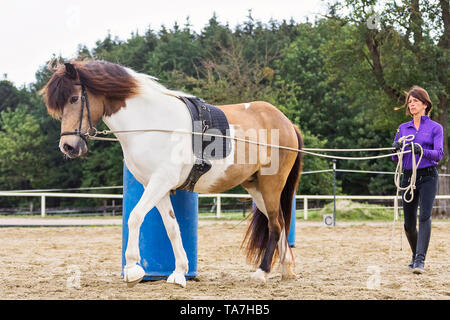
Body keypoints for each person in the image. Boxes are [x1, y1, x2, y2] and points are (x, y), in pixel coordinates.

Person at [392, 86, 443, 274]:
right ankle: (414, 254)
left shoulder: (436, 128)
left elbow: (438, 155)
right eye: (410, 101)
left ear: (425, 104)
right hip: (407, 176)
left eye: (415, 101)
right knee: (408, 223)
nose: (411, 104)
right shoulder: (402, 128)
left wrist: (420, 150)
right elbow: (396, 160)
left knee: (425, 216)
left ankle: (420, 260)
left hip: (428, 176)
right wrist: (396, 149)